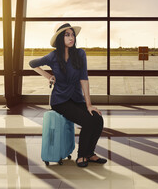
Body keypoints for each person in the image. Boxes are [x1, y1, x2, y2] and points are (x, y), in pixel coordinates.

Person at [29, 22, 107, 167]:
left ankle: (90, 153)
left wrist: (89, 104)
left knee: (97, 119)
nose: (72, 38)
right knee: (88, 121)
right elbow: (32, 63)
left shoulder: (80, 54)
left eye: (73, 35)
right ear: (60, 38)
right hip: (60, 101)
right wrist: (48, 76)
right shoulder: (52, 56)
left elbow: (84, 79)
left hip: (76, 98)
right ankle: (82, 156)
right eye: (67, 35)